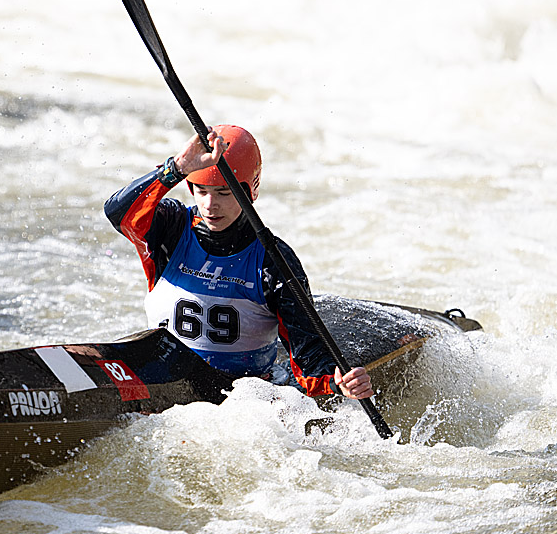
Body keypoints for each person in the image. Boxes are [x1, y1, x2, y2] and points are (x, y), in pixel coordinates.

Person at [105, 124, 373, 400]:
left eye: (223, 192)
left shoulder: (273, 261)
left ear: (249, 191)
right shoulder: (169, 228)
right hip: (164, 380)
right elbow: (116, 212)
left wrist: (338, 380)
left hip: (241, 398)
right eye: (201, 191)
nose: (210, 205)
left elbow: (307, 355)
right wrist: (177, 167)